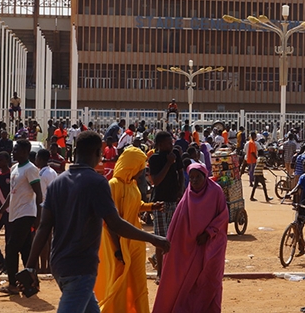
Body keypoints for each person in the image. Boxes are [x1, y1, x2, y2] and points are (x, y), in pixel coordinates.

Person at [17, 131, 170, 313]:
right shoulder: (97, 182)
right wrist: (153, 238)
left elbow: (43, 228)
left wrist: (30, 266)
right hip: (81, 266)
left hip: (60, 264)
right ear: (98, 153)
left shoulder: (57, 183)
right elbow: (115, 223)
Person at [94, 146, 163, 313]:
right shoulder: (113, 185)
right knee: (118, 281)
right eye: (141, 167)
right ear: (132, 166)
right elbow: (111, 220)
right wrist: (118, 249)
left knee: (139, 283)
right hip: (117, 243)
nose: (142, 172)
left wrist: (151, 206)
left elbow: (135, 205)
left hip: (136, 242)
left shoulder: (132, 185)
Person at [153, 164, 227, 313]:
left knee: (210, 279)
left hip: (211, 244)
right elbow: (178, 227)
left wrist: (208, 233)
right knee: (186, 282)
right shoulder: (187, 197)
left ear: (204, 176)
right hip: (190, 248)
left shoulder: (215, 192)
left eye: (197, 177)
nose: (194, 181)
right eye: (191, 177)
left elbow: (223, 216)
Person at [0, 139, 43, 295]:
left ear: (25, 152)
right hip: (14, 214)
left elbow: (39, 194)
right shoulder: (15, 168)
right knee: (26, 250)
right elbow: (11, 193)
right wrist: (0, 212)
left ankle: (13, 284)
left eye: (16, 150)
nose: (13, 152)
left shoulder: (30, 169)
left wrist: (38, 218)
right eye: (13, 150)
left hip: (26, 214)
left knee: (11, 248)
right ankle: (32, 283)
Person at [147, 131, 184, 277]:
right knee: (160, 239)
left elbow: (180, 173)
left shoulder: (175, 155)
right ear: (160, 144)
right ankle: (160, 273)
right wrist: (168, 163)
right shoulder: (155, 159)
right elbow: (156, 181)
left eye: (171, 142)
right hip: (160, 203)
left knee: (173, 237)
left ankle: (171, 271)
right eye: (168, 143)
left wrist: (180, 190)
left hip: (173, 200)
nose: (171, 145)